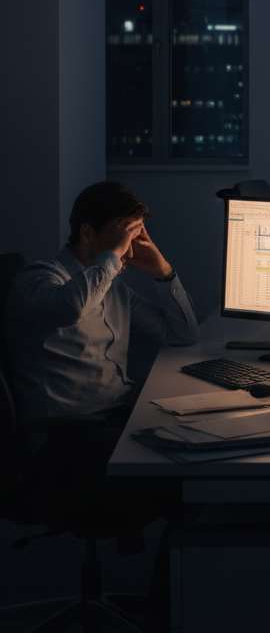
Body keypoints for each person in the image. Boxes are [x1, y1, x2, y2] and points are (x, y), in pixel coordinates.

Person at [4, 181, 199, 518]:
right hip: (66, 439)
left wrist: (162, 272)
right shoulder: (36, 279)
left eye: (136, 238)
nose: (130, 251)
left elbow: (181, 334)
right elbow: (68, 309)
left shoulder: (113, 290)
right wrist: (111, 257)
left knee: (199, 443)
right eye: (125, 239)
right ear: (88, 234)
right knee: (184, 480)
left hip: (114, 420)